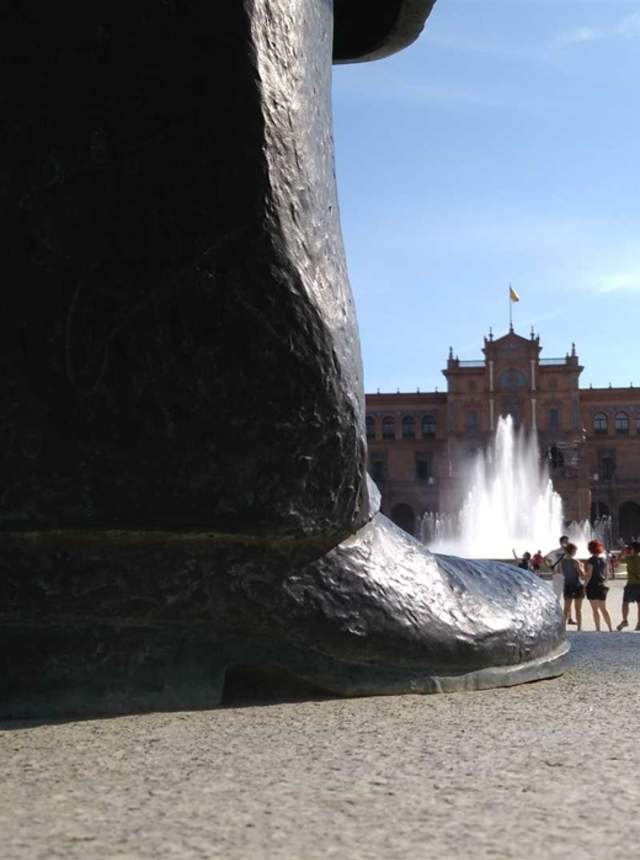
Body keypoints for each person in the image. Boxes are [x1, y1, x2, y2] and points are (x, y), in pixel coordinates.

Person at [584, 539, 612, 632]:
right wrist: (603, 581)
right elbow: (607, 574)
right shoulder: (603, 560)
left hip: (592, 586)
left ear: (590, 549)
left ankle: (598, 628)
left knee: (595, 610)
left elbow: (589, 575)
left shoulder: (590, 561)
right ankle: (610, 628)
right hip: (601, 586)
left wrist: (584, 585)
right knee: (604, 609)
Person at [544, 536, 575, 621]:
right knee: (556, 596)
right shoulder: (556, 552)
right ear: (560, 542)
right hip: (558, 576)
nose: (566, 543)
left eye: (567, 541)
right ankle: (555, 615)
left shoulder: (570, 552)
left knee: (568, 597)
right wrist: (551, 567)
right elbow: (545, 558)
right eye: (564, 541)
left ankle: (569, 617)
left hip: (568, 576)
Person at [616, 541, 640, 631]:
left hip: (631, 584)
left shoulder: (629, 558)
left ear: (633, 549)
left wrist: (622, 552)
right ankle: (639, 623)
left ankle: (625, 620)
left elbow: (617, 561)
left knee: (625, 603)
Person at [561, 543, 585, 630]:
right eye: (575, 550)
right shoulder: (576, 562)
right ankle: (579, 627)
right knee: (578, 609)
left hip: (567, 585)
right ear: (573, 551)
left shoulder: (562, 562)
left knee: (566, 608)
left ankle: (562, 627)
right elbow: (582, 575)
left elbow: (560, 572)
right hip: (577, 585)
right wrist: (581, 566)